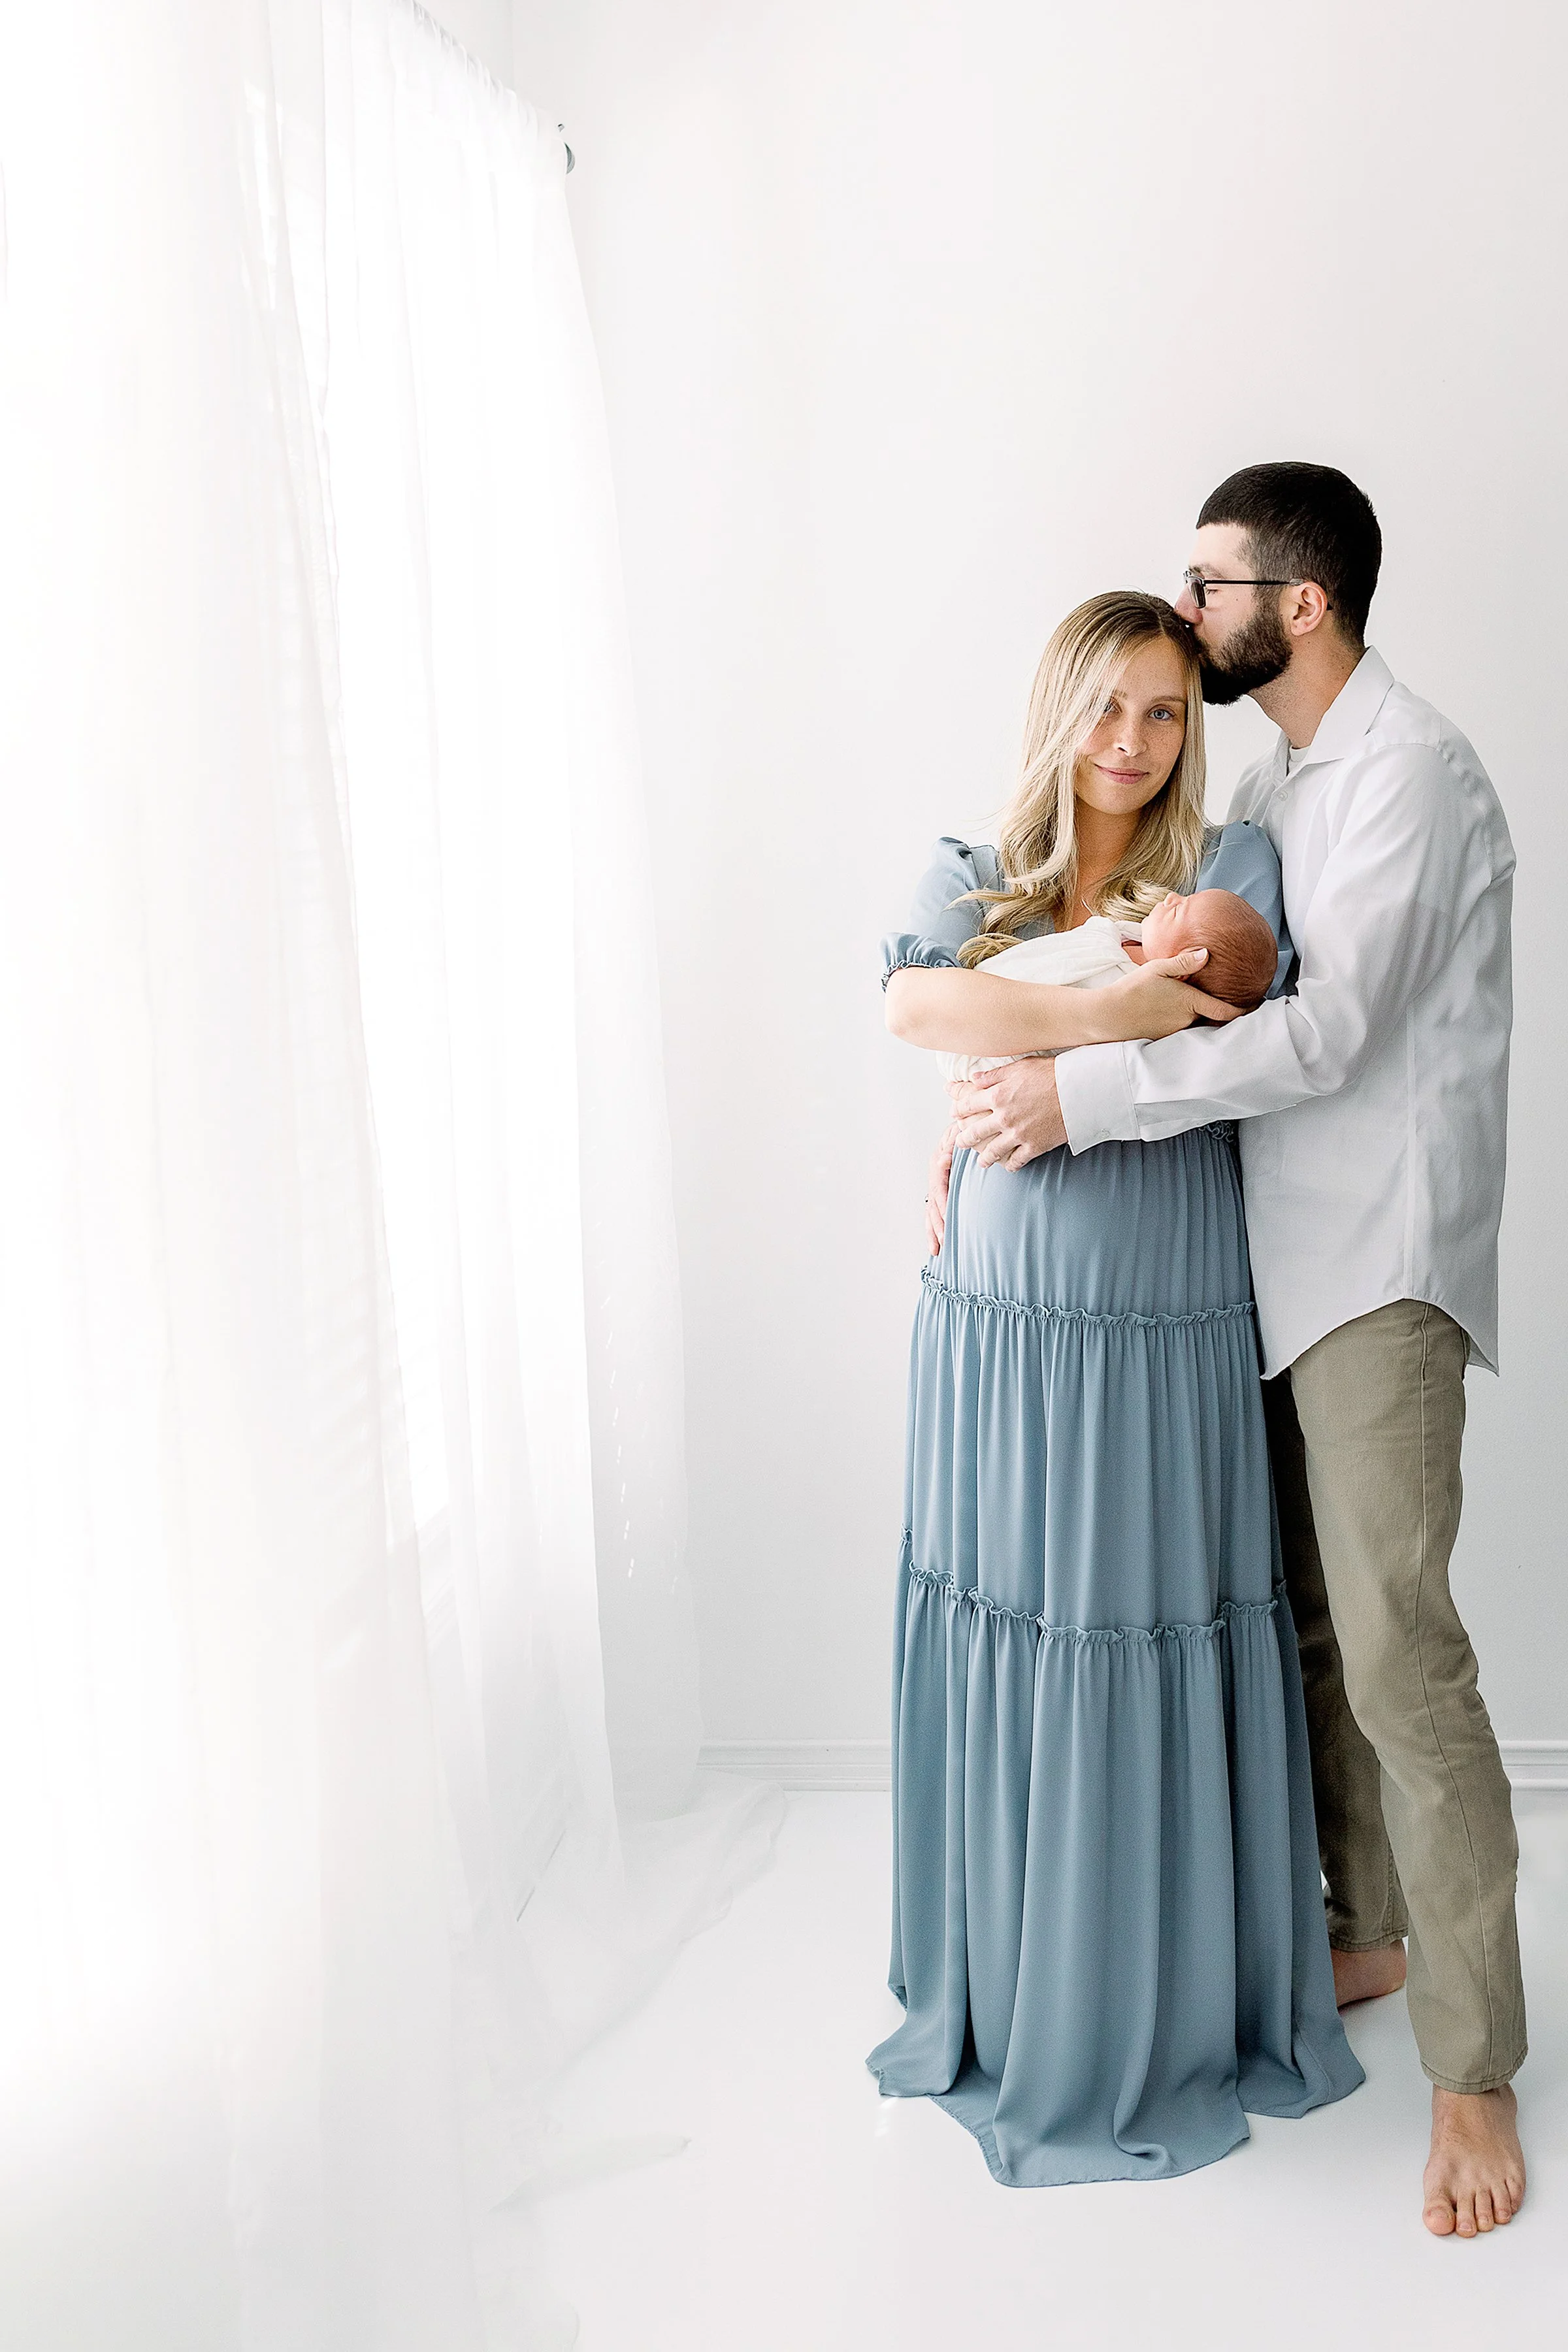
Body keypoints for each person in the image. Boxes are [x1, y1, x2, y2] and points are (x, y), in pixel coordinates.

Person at [936, 464, 1524, 2238]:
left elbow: (1331, 1038)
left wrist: (1081, 1094)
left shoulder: (1409, 776)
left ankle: (1478, 2072)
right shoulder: (1281, 784)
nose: (1189, 616)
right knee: (1319, 1631)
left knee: (1405, 1657)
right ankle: (1362, 1938)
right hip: (1261, 1271)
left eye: (1212, 586)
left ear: (1305, 603)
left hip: (1376, 1276)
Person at [866, 588, 1364, 2187]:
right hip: (998, 1308)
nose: (1133, 745)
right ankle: (1015, 1982)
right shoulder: (971, 872)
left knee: (1140, 1618)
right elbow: (914, 1006)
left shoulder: (1224, 872)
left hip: (1156, 1297)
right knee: (1011, 1609)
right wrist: (1103, 1014)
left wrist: (1060, 1048)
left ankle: (1147, 2001)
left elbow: (1229, 1005)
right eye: (1107, 707)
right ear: (1056, 708)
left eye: (1162, 712)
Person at [939, 885, 1279, 1081]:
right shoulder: (1130, 936)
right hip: (968, 1003)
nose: (1172, 897)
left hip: (988, 1057)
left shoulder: (1145, 1008)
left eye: (1179, 911)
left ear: (1187, 964)